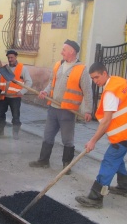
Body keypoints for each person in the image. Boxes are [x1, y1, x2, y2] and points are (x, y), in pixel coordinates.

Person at [75, 62, 127, 208]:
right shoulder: (118, 80)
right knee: (117, 155)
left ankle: (96, 197)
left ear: (104, 73)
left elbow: (106, 121)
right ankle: (124, 187)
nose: (96, 81)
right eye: (93, 79)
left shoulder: (109, 93)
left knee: (110, 159)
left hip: (126, 131)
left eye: (97, 77)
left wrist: (93, 141)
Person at [29, 39, 93, 174]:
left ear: (72, 52)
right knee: (48, 135)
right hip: (53, 107)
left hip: (68, 111)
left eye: (64, 50)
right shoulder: (58, 65)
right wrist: (45, 91)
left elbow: (88, 91)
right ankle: (43, 160)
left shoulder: (82, 69)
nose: (61, 52)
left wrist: (88, 110)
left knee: (67, 139)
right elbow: (51, 83)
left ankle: (66, 166)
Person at [0, 49, 32, 140]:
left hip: (15, 97)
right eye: (8, 57)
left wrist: (22, 92)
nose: (10, 59)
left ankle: (15, 133)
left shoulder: (22, 68)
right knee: (0, 113)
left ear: (16, 57)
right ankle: (0, 131)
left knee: (16, 116)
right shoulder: (4, 69)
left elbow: (29, 82)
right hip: (4, 96)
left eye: (12, 57)